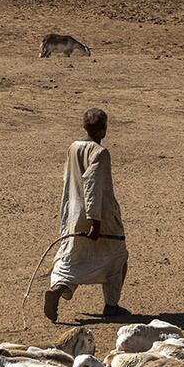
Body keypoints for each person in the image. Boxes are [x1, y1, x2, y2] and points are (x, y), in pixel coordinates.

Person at [44, 108, 127, 323]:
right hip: (99, 216)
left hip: (73, 213)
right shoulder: (100, 153)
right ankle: (111, 305)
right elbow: (92, 184)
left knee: (74, 255)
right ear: (103, 129)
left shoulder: (73, 147)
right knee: (118, 257)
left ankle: (60, 286)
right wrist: (95, 221)